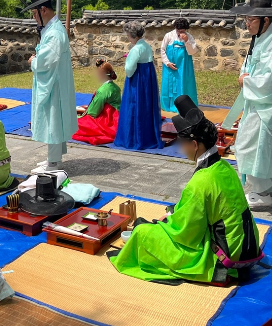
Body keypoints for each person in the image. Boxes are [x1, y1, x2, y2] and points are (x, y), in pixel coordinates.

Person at [110, 95, 261, 284]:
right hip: (247, 247)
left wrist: (167, 222)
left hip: (224, 259)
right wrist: (175, 212)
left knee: (142, 233)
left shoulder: (200, 182)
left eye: (182, 143)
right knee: (164, 218)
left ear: (195, 144)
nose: (181, 149)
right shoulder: (225, 168)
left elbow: (186, 233)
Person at [223, 0, 272, 208]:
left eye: (250, 19)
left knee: (254, 146)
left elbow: (271, 80)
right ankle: (268, 189)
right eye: (246, 19)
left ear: (265, 20)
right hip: (257, 101)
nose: (247, 23)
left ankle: (262, 193)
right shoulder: (261, 38)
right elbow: (250, 66)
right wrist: (245, 76)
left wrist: (245, 81)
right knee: (259, 146)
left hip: (268, 103)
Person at [23, 0, 77, 173]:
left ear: (43, 10)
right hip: (56, 80)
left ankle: (53, 163)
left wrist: (33, 61)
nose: (34, 18)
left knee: (53, 120)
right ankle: (52, 159)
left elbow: (47, 61)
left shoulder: (54, 32)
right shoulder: (52, 29)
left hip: (54, 83)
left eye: (34, 13)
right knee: (55, 120)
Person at [114, 21, 164, 151]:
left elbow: (129, 69)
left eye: (128, 35)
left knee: (134, 106)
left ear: (133, 35)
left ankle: (133, 138)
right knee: (146, 106)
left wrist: (129, 59)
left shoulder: (135, 49)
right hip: (147, 79)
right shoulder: (146, 46)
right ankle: (148, 136)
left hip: (137, 80)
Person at [72, 59, 121, 145]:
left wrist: (83, 112)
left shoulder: (102, 91)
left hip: (107, 120)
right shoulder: (116, 87)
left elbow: (93, 112)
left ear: (102, 74)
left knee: (76, 123)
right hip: (117, 118)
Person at [160, 17, 198, 112]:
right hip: (170, 66)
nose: (180, 33)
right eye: (178, 30)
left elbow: (193, 51)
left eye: (182, 31)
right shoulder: (168, 36)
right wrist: (167, 63)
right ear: (175, 27)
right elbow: (162, 50)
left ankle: (185, 106)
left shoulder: (189, 37)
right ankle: (168, 105)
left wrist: (186, 41)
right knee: (169, 85)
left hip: (184, 66)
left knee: (184, 84)